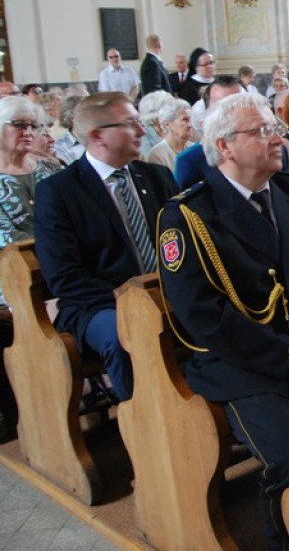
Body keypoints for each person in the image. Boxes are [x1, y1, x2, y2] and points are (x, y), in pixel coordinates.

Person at [158, 92, 289, 550]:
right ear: (224, 147)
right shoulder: (188, 216)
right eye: (262, 131)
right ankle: (283, 540)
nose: (276, 138)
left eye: (274, 128)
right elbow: (203, 318)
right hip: (246, 364)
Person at [34, 93, 179, 400]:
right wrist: (133, 300)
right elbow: (64, 277)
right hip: (98, 305)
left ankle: (208, 411)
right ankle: (146, 423)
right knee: (125, 333)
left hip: (166, 291)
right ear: (98, 135)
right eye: (131, 124)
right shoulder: (60, 191)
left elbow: (182, 243)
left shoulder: (157, 177)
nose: (142, 131)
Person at [0, 97, 63, 298]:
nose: (28, 132)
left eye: (33, 126)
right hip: (13, 278)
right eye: (18, 125)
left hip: (64, 270)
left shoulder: (52, 168)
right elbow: (6, 238)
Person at [145, 98, 194, 171]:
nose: (190, 125)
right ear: (167, 125)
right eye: (185, 120)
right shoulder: (157, 155)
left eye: (191, 120)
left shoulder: (194, 148)